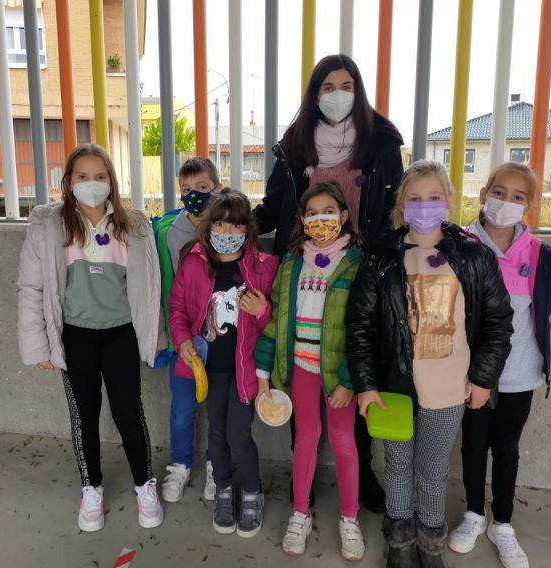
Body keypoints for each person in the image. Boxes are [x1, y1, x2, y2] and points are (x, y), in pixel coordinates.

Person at [253, 53, 405, 513]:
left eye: (346, 85)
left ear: (358, 90)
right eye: (327, 87)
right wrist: (232, 223)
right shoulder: (295, 146)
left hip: (361, 272)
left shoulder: (381, 143)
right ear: (314, 94)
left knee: (354, 370)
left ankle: (361, 473)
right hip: (305, 271)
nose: (337, 95)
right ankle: (304, 474)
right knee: (302, 376)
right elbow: (273, 205)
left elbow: (396, 211)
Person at [346, 160, 514, 568]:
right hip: (394, 389)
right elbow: (359, 325)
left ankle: (431, 542)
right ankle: (400, 541)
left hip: (448, 388)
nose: (424, 207)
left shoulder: (473, 257)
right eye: (415, 199)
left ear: (449, 201)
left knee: (433, 470)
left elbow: (497, 322)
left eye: (434, 197)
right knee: (398, 466)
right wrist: (366, 384)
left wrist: (482, 379)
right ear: (401, 207)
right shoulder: (380, 259)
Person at [17, 143, 165, 532]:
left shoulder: (134, 226)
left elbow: (150, 290)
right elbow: (31, 288)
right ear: (68, 182)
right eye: (82, 176)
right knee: (84, 416)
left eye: (100, 176)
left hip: (121, 335)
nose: (91, 184)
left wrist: (155, 339)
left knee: (129, 413)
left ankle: (144, 484)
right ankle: (91, 487)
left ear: (112, 181)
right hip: (75, 338)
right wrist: (39, 345)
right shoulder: (50, 227)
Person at [448, 162, 551, 568]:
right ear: (483, 195)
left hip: (520, 373)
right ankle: (474, 514)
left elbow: (541, 310)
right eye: (498, 192)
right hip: (473, 374)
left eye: (518, 197)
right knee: (474, 444)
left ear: (529, 205)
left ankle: (503, 523)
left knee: (507, 448)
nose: (506, 202)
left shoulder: (538, 253)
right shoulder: (460, 245)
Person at [255, 183, 365, 560]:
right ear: (302, 220)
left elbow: (364, 329)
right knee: (306, 438)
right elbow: (277, 320)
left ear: (344, 216)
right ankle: (300, 512)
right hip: (302, 367)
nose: (321, 220)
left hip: (338, 374)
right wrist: (263, 371)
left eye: (329, 211)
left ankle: (349, 518)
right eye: (312, 213)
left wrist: (349, 380)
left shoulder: (356, 263)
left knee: (343, 439)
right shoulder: (291, 263)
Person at [168, 188, 278, 537]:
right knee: (216, 432)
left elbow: (274, 325)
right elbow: (177, 308)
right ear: (208, 225)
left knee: (238, 434)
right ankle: (225, 490)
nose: (227, 232)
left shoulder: (263, 266)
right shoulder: (193, 261)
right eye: (219, 224)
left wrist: (262, 311)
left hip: (245, 370)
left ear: (247, 228)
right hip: (209, 367)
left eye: (235, 225)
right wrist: (182, 340)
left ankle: (252, 492)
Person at [152, 157, 222, 503]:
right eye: (186, 189)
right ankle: (180, 464)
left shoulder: (228, 228)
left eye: (203, 188)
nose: (194, 195)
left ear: (217, 188)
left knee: (220, 412)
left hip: (222, 337)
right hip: (184, 338)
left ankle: (215, 465)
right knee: (182, 410)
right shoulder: (168, 232)